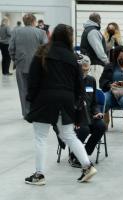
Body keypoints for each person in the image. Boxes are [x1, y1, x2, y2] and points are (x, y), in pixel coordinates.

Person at [24, 24, 97, 185]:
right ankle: (87, 165)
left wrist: (31, 98)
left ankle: (39, 175)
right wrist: (77, 103)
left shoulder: (42, 52)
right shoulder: (72, 57)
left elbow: (33, 78)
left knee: (41, 138)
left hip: (44, 98)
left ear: (53, 36)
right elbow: (80, 85)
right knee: (68, 135)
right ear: (69, 39)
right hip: (67, 99)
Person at [69, 54, 106, 168]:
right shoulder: (70, 82)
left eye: (87, 69)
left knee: (101, 126)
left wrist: (97, 112)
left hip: (89, 115)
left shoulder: (91, 80)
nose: (85, 72)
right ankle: (75, 156)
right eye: (82, 69)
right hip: (75, 116)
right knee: (84, 129)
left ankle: (83, 154)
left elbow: (94, 102)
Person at [8, 13, 48, 117]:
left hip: (21, 65)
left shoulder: (15, 32)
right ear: (34, 21)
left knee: (23, 90)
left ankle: (26, 113)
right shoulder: (41, 32)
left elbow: (11, 48)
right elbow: (46, 49)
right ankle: (37, 110)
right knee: (38, 89)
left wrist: (15, 60)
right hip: (37, 66)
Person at [80, 12, 108, 83]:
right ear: (98, 20)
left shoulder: (87, 29)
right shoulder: (93, 31)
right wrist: (107, 62)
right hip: (95, 66)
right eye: (100, 20)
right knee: (97, 89)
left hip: (90, 65)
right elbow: (99, 50)